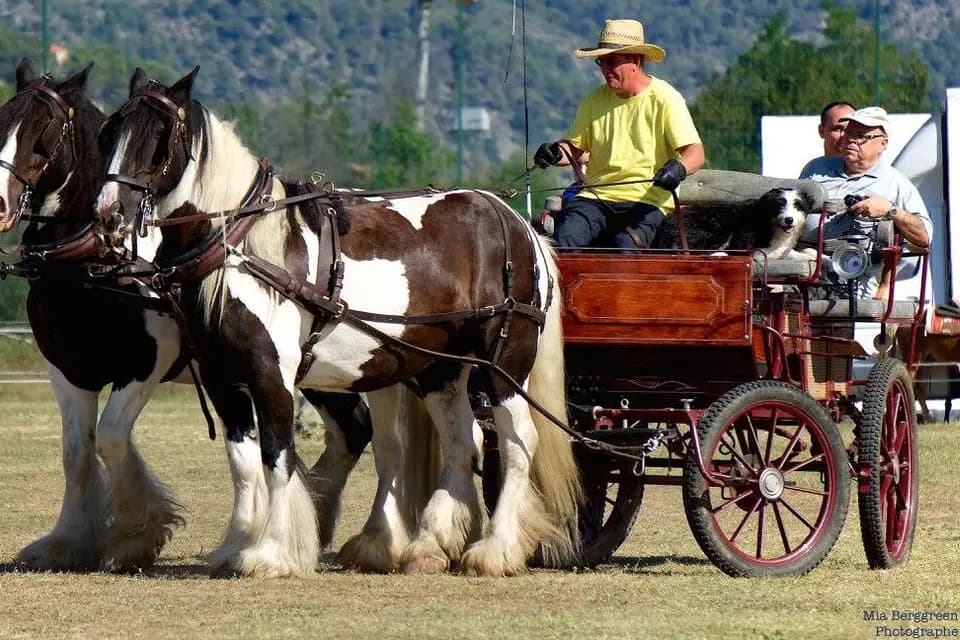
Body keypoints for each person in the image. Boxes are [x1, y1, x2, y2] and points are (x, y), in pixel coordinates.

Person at [533, 18, 705, 249]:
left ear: (635, 61)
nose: (605, 70)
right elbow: (574, 149)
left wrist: (678, 169)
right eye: (601, 62)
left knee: (626, 249)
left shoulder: (665, 99)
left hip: (646, 201)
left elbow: (695, 153)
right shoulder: (594, 100)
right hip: (594, 198)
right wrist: (554, 152)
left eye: (612, 62)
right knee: (564, 242)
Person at [799, 106, 932, 300]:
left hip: (855, 280)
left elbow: (924, 237)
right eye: (848, 133)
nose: (850, 140)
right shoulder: (816, 168)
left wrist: (890, 210)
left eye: (861, 136)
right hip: (805, 270)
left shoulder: (895, 184)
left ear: (882, 143)